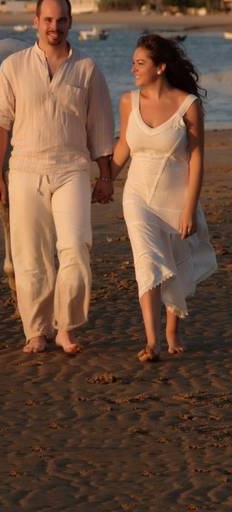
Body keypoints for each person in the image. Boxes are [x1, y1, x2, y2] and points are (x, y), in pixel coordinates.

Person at [0, 0, 116, 354]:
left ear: (70, 22)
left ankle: (66, 327)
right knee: (31, 256)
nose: (54, 27)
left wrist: (105, 177)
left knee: (75, 246)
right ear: (36, 21)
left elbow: (101, 128)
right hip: (25, 169)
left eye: (61, 20)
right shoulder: (13, 66)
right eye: (48, 20)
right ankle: (36, 331)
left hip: (72, 168)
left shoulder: (87, 68)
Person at [108, 35, 217, 362]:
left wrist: (189, 208)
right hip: (137, 195)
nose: (133, 69)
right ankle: (152, 340)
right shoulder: (129, 101)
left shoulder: (187, 105)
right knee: (147, 261)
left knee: (174, 259)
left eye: (140, 63)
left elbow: (197, 158)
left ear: (160, 67)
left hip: (176, 196)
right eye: (133, 63)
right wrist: (104, 180)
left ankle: (172, 331)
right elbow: (124, 147)